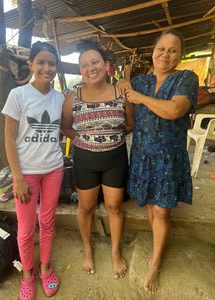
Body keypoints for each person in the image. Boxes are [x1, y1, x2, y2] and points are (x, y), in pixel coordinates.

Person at [117, 29, 199, 294]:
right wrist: (122, 83)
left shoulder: (186, 78)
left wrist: (139, 97)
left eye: (172, 50)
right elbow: (128, 113)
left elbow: (174, 110)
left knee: (163, 210)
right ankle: (158, 244)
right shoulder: (140, 81)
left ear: (180, 55)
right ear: (153, 51)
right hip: (142, 153)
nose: (165, 54)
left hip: (168, 156)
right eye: (161, 48)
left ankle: (156, 262)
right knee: (151, 205)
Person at [61, 39, 133, 279]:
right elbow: (65, 127)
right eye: (84, 64)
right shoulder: (74, 95)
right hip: (85, 160)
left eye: (95, 62)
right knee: (85, 206)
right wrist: (87, 139)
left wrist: (109, 138)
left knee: (115, 206)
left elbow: (130, 125)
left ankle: (115, 251)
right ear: (80, 69)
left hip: (115, 159)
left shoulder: (122, 92)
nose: (91, 68)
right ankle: (88, 249)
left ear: (106, 65)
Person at [2, 41, 65, 300]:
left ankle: (45, 267)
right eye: (41, 62)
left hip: (54, 170)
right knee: (26, 228)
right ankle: (27, 274)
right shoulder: (18, 96)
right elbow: (9, 139)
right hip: (25, 174)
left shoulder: (60, 98)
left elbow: (64, 130)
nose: (47, 68)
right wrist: (17, 177)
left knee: (47, 221)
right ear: (31, 65)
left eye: (51, 63)